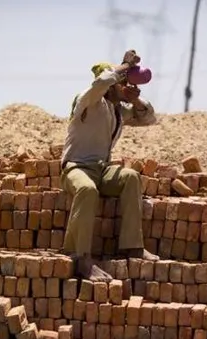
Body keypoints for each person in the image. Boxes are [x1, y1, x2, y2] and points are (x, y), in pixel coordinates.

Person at [60, 49, 160, 282]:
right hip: (75, 168)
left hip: (102, 169)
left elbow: (149, 118)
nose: (124, 84)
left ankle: (133, 246)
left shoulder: (118, 110)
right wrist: (124, 66)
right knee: (86, 190)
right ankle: (81, 258)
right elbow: (102, 82)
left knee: (130, 177)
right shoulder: (87, 101)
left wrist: (133, 98)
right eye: (121, 82)